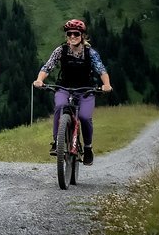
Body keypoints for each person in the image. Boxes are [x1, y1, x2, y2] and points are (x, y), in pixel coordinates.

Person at [32, 18, 113, 165]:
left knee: (84, 117)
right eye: (69, 34)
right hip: (64, 88)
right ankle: (57, 141)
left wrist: (106, 84)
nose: (72, 37)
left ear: (82, 35)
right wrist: (39, 80)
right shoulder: (61, 50)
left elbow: (101, 70)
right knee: (59, 107)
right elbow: (48, 67)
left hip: (85, 90)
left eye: (76, 34)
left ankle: (87, 147)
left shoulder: (90, 53)